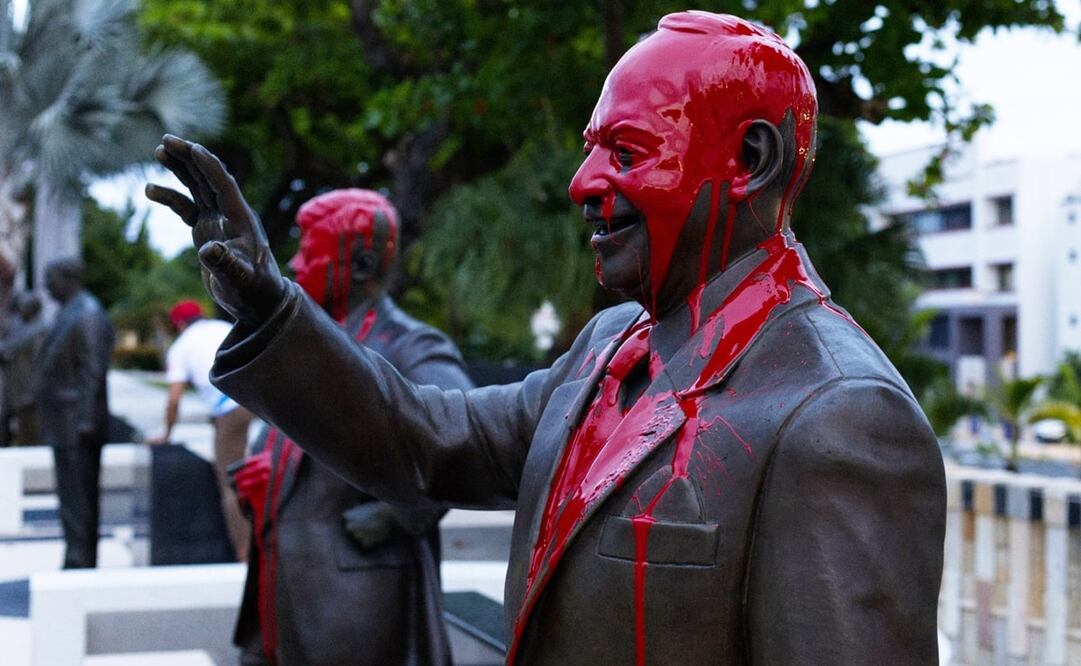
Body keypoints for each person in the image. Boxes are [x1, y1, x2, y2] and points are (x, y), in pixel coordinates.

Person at [148, 11, 946, 664]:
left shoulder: (838, 416)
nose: (581, 184)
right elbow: (424, 439)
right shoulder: (609, 345)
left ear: (749, 160)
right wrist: (270, 307)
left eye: (625, 151)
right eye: (590, 150)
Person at [231, 189, 473, 665]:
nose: (296, 264)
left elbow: (462, 444)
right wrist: (264, 474)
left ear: (361, 266)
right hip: (281, 585)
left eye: (309, 250)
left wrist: (393, 515)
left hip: (357, 600)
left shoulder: (410, 346)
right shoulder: (308, 341)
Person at [149, 299, 253, 561]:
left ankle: (246, 553)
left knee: (230, 483)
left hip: (230, 409)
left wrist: (167, 434)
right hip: (257, 399)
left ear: (179, 325)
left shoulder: (181, 347)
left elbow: (174, 399)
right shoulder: (222, 327)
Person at [34, 258, 115, 569]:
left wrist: (85, 421)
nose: (46, 285)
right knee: (72, 497)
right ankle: (75, 555)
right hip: (65, 424)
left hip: (77, 425)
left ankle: (81, 559)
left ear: (67, 278)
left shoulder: (88, 314)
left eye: (50, 278)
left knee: (79, 498)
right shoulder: (71, 312)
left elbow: (92, 371)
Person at [1, 291, 46, 445]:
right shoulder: (20, 326)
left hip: (29, 389)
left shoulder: (39, 330)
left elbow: (40, 363)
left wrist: (34, 390)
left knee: (31, 433)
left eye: (22, 306)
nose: (19, 309)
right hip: (16, 386)